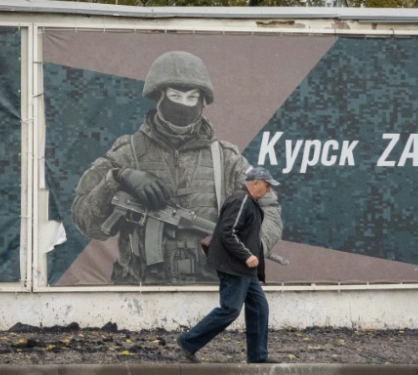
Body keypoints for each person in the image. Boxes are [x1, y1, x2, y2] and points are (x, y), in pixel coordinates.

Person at [71, 51, 283, 284]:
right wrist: (117, 177)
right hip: (138, 290)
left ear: (203, 101)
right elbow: (86, 220)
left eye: (192, 98)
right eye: (175, 95)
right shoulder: (127, 152)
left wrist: (251, 245)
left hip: (210, 290)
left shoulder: (226, 158)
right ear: (159, 96)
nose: (183, 105)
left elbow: (269, 210)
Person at [177, 167, 282, 364]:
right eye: (267, 186)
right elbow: (228, 232)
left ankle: (258, 357)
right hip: (234, 266)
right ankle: (188, 342)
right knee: (230, 310)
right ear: (256, 182)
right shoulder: (241, 200)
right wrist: (246, 255)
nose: (268, 191)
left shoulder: (248, 202)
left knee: (260, 308)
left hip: (245, 269)